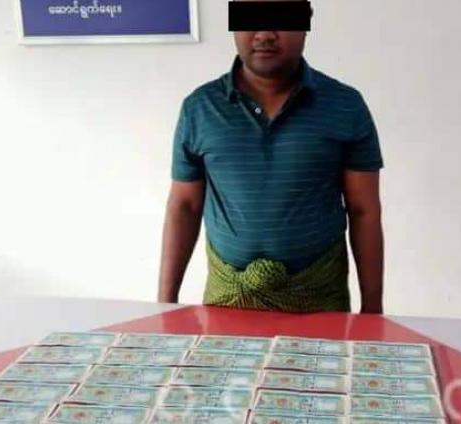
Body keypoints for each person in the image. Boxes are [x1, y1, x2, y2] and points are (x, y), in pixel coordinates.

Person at [158, 0, 384, 313]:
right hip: (227, 303)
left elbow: (364, 211)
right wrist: (164, 305)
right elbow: (184, 206)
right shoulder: (200, 109)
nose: (264, 34)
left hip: (319, 302)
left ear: (306, 21)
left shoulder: (346, 106)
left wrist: (372, 309)